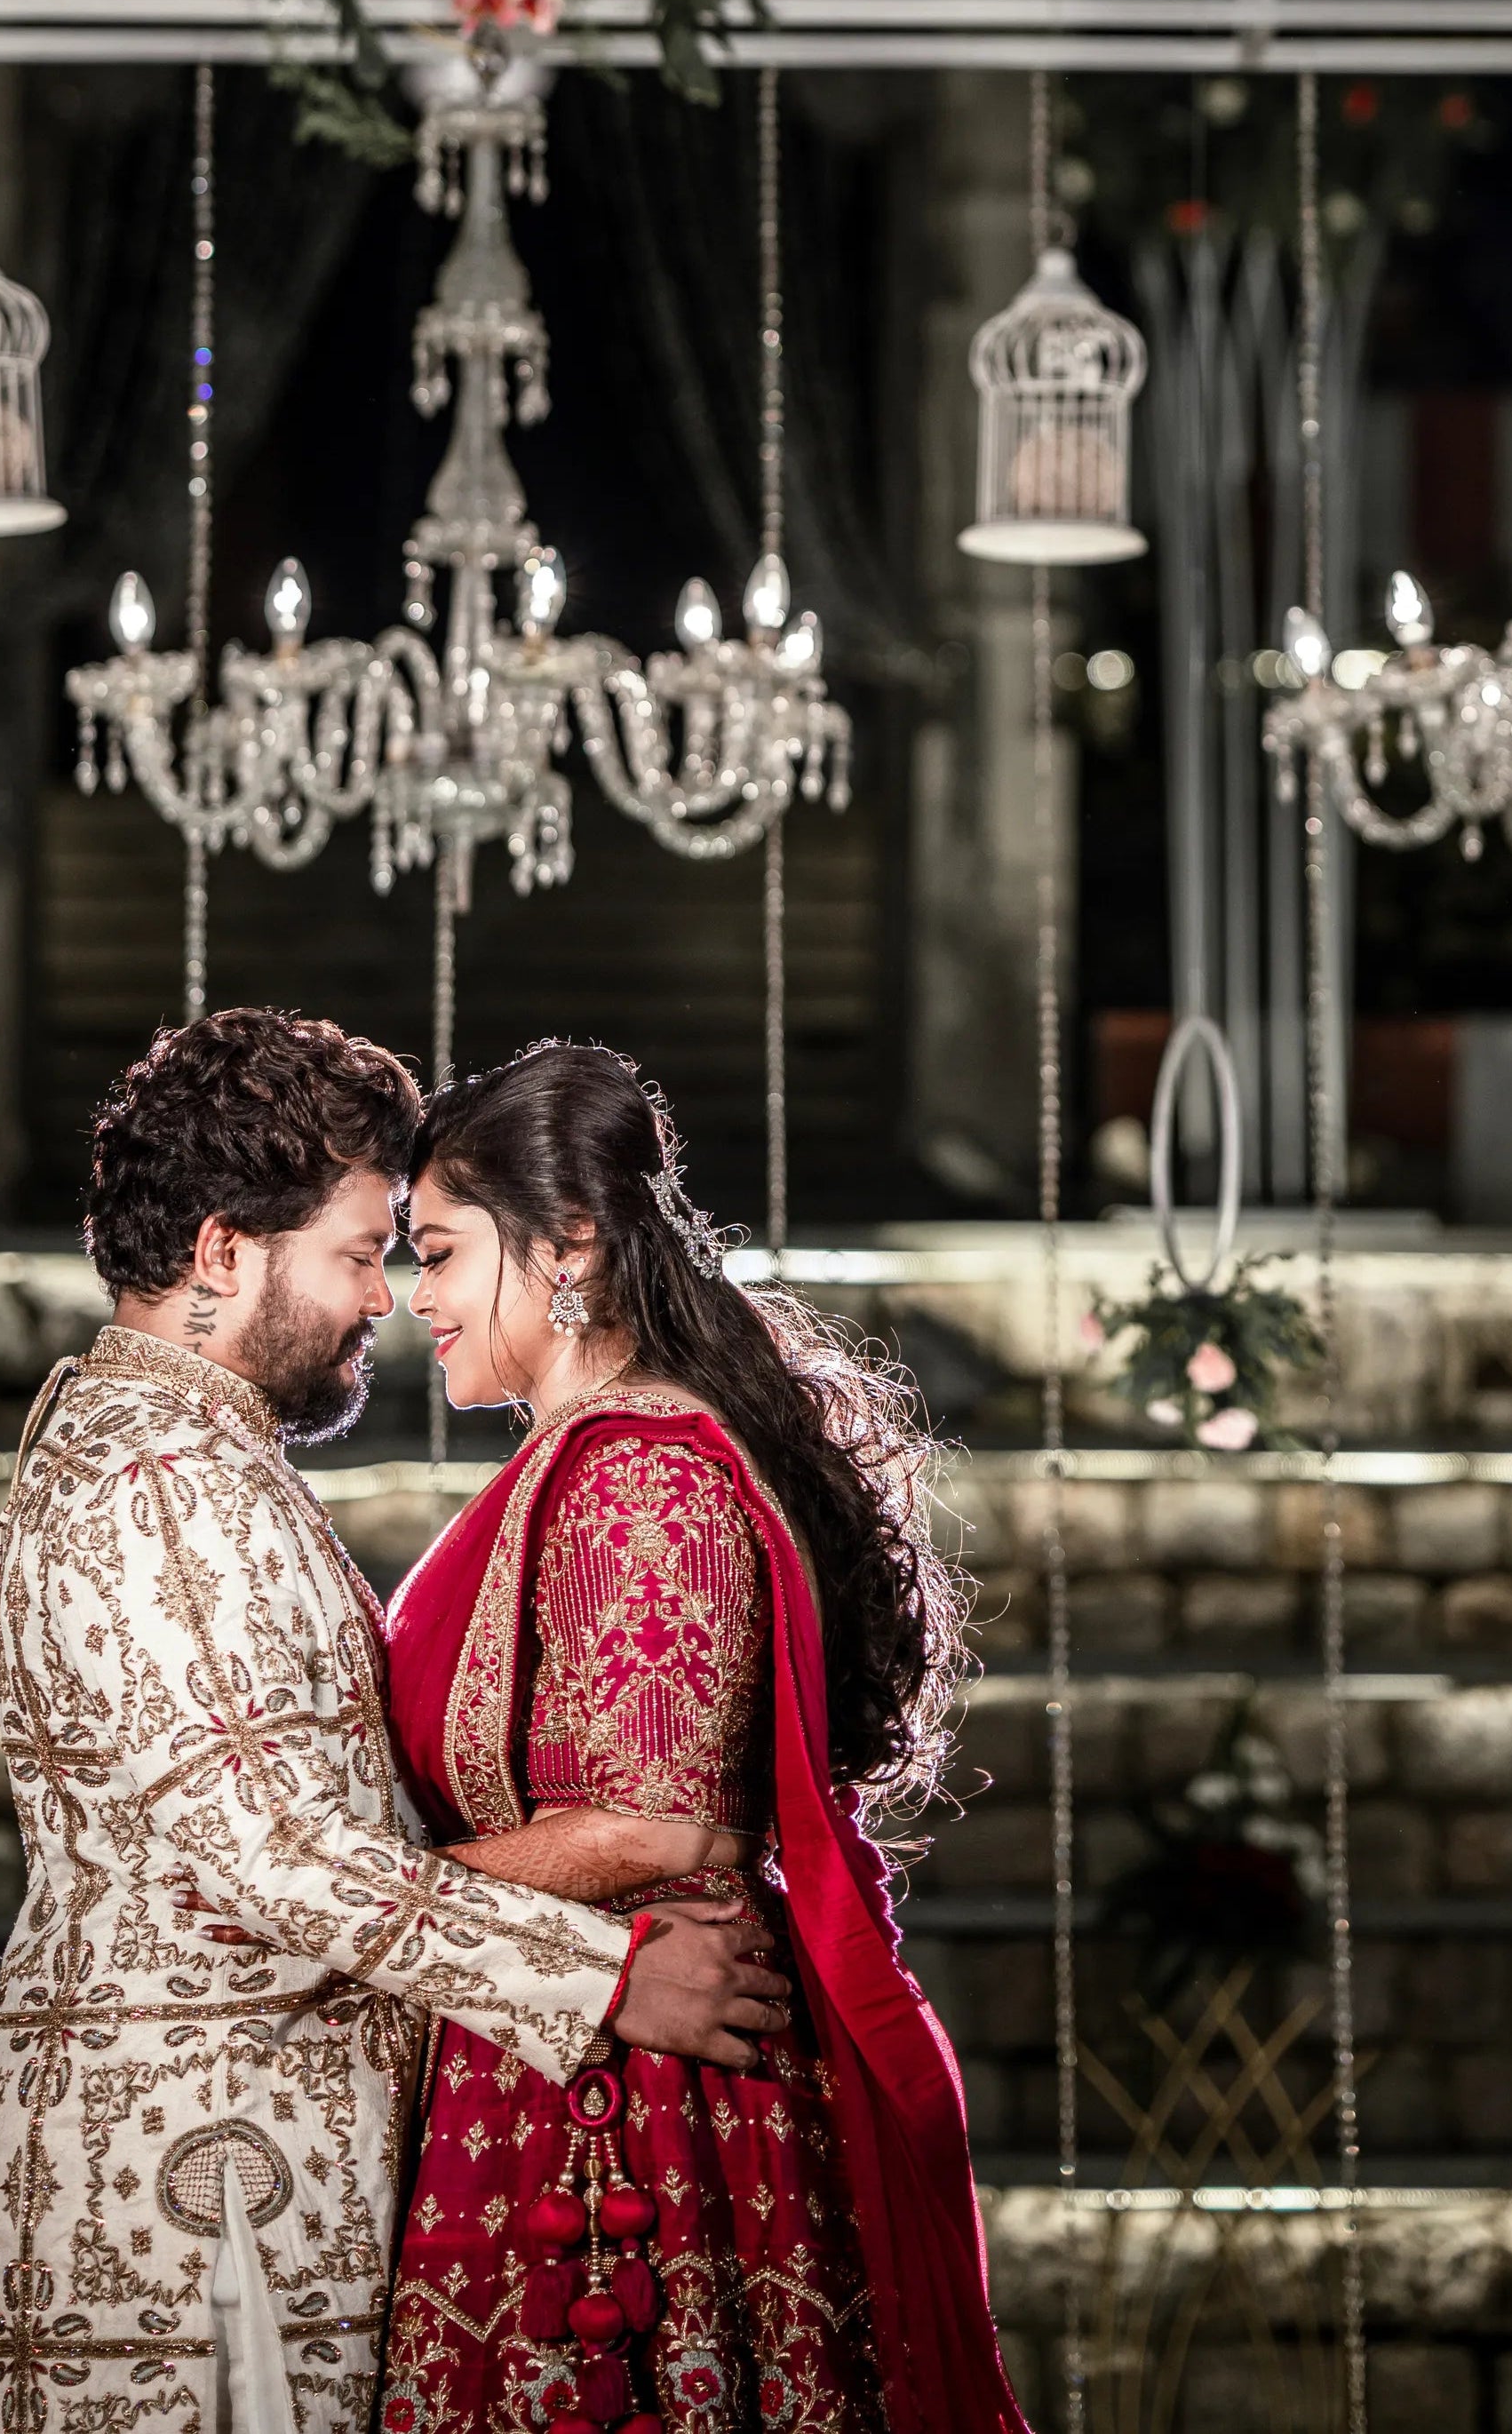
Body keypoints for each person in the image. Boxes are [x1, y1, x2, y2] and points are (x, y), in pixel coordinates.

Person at [0, 1007, 786, 2434]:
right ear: (225, 1253)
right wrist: (604, 1973)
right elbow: (275, 1859)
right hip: (199, 2190)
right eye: (354, 1251)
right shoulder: (158, 1474)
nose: (381, 1296)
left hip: (230, 2153)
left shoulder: (179, 1447)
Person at [377, 1035, 1029, 2434]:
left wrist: (354, 1903)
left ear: (564, 1249)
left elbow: (659, 1823)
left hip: (637, 2088)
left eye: (436, 1252)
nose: (412, 1297)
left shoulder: (644, 1472)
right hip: (574, 2028)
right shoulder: (594, 1452)